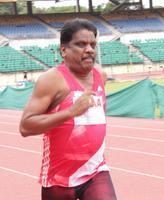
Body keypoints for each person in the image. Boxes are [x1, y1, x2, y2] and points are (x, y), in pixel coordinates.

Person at [19, 18, 117, 200]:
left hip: (95, 171)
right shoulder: (51, 80)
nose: (89, 49)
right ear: (63, 50)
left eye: (92, 44)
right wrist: (71, 112)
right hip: (59, 178)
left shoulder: (100, 76)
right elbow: (26, 126)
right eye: (81, 44)